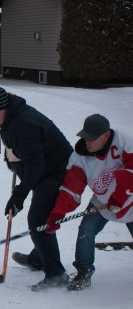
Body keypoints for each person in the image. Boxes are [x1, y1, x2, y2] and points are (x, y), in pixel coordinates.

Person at [0, 86, 73, 291]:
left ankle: (56, 274)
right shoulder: (11, 117)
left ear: (5, 106)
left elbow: (36, 165)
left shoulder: (23, 124)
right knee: (40, 218)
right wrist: (14, 162)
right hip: (44, 169)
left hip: (58, 171)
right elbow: (27, 157)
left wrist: (20, 194)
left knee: (38, 220)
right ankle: (38, 259)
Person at [46, 114, 133, 291]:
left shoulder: (124, 142)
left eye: (92, 138)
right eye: (85, 136)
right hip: (102, 202)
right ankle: (84, 271)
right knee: (86, 230)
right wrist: (58, 213)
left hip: (130, 200)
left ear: (106, 135)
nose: (87, 141)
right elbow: (71, 189)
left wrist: (119, 198)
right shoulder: (79, 158)